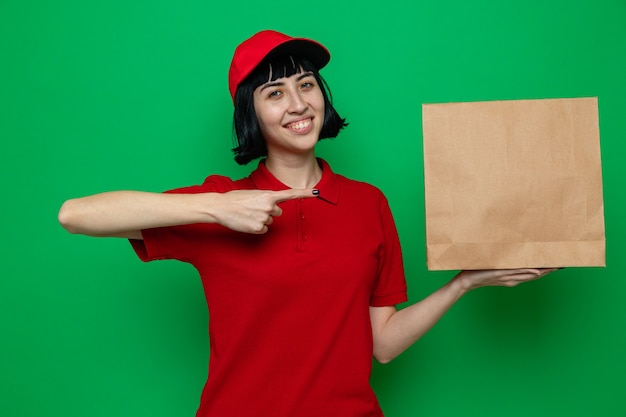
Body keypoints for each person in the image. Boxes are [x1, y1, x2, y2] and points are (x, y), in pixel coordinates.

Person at [58, 30, 555, 417]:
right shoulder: (222, 204)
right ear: (250, 113)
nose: (298, 104)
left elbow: (381, 345)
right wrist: (214, 207)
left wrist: (462, 284)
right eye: (274, 92)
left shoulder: (367, 204)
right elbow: (76, 215)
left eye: (306, 84)